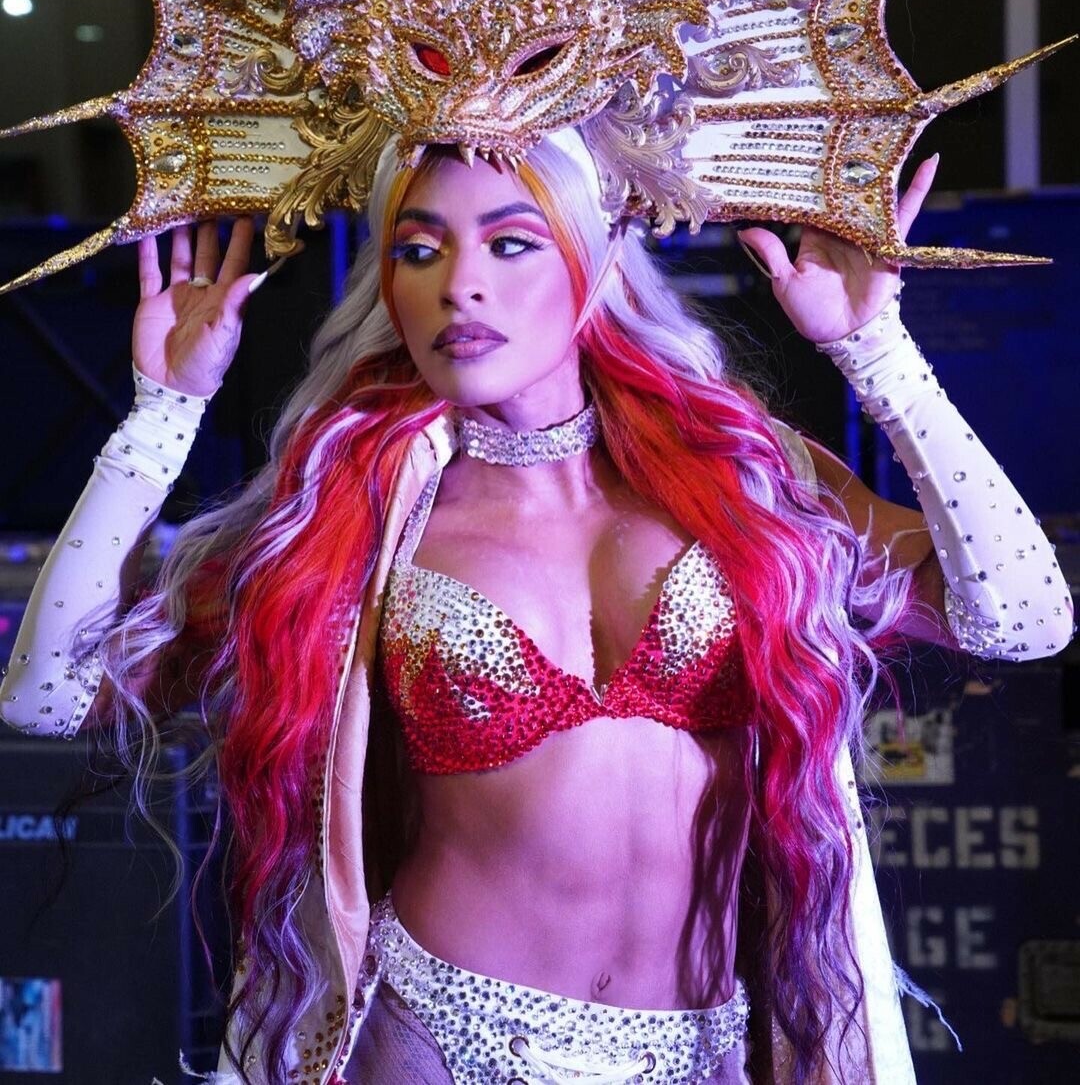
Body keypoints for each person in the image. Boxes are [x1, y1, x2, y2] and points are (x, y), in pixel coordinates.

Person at [1, 127, 1072, 1085]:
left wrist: (878, 353)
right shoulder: (357, 512)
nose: (461, 287)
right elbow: (46, 697)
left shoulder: (741, 477)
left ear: (594, 261)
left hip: (706, 1044)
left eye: (511, 243)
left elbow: (1023, 618)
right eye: (419, 250)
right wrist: (161, 415)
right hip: (435, 1038)